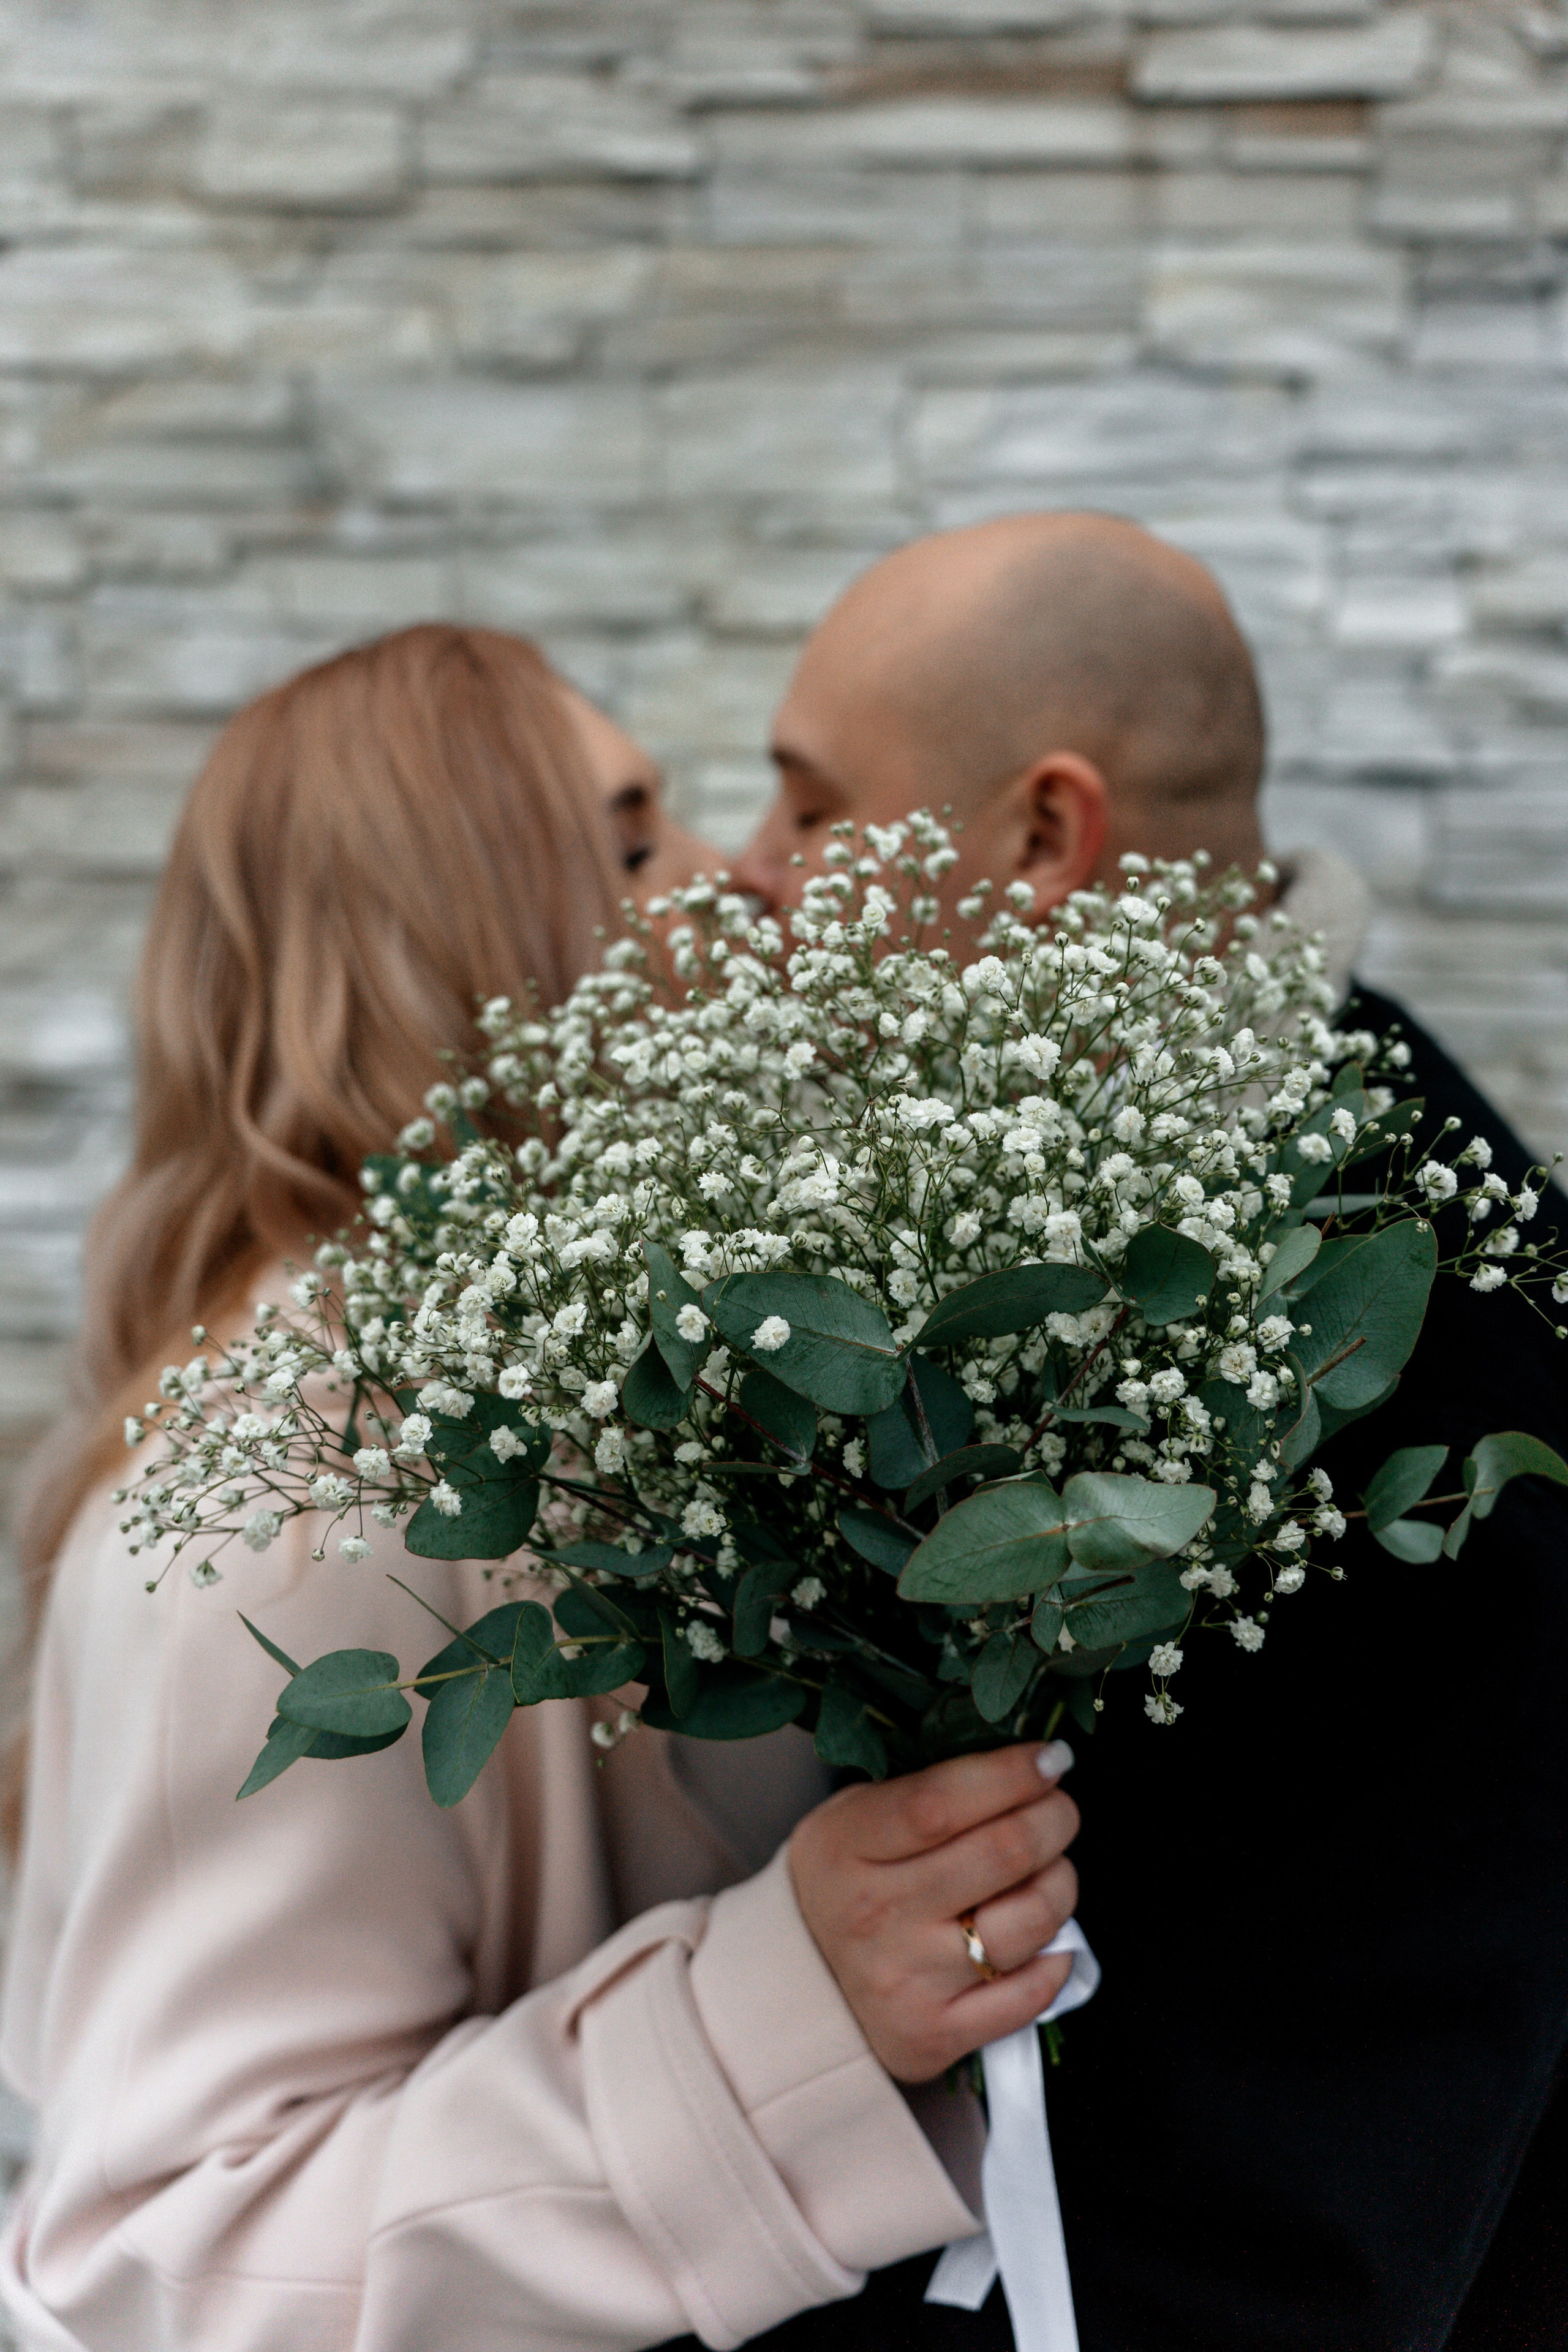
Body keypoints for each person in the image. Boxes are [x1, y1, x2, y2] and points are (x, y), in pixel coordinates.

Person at [0, 624, 1086, 2351]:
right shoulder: (310, 1496)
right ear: (461, 944)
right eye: (636, 844)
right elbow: (163, 2262)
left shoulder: (574, 1371)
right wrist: (786, 2022)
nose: (735, 880)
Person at [731, 514, 1568, 2352]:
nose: (752, 873)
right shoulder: (1045, 1212)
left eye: (809, 806)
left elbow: (1303, 2223)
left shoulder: (1427, 1378)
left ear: (1047, 835)